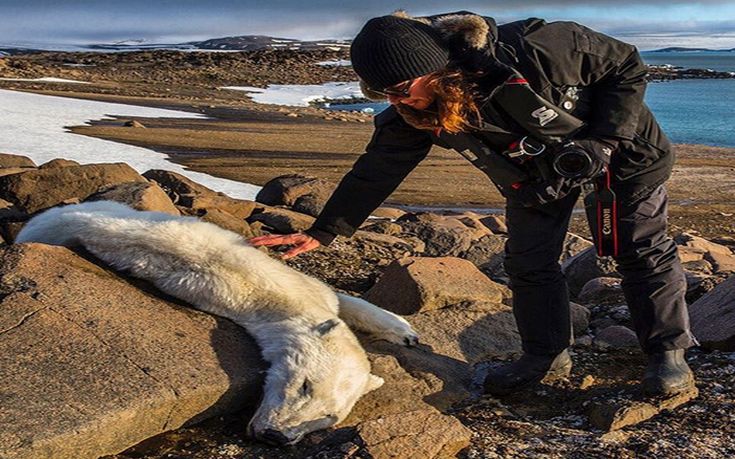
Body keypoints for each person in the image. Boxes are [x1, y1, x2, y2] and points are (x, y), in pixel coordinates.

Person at [251, 11, 697, 397]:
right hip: (535, 173)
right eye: (381, 93)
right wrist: (323, 230)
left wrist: (604, 140)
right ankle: (545, 355)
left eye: (402, 88)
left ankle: (666, 355)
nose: (396, 101)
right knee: (527, 261)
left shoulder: (541, 46)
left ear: (439, 68)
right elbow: (378, 169)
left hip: (625, 151)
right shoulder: (414, 109)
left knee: (638, 249)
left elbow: (626, 64)